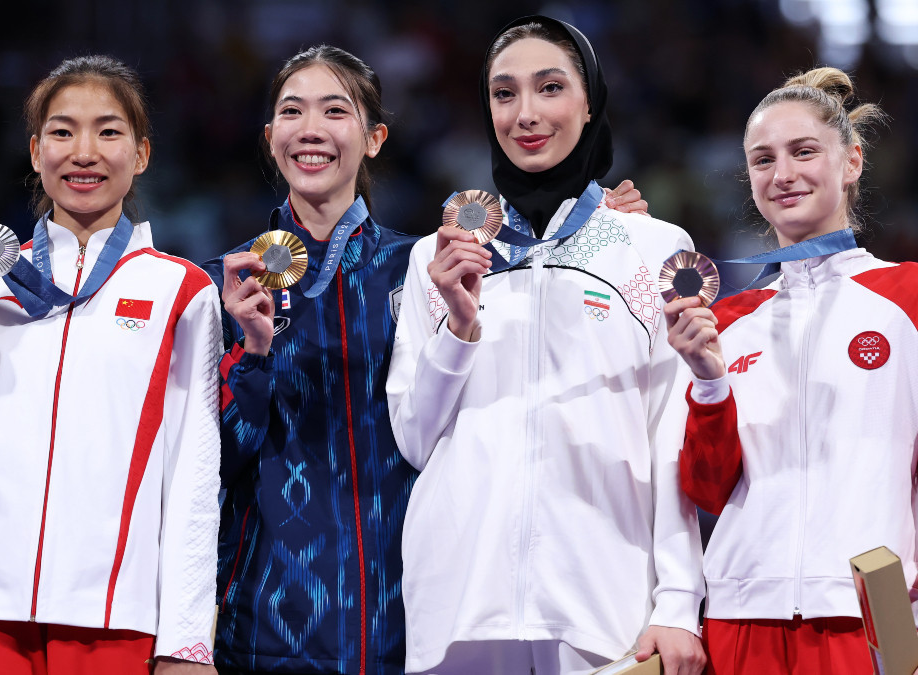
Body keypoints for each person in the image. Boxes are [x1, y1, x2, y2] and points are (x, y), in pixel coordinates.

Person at [205, 44, 648, 675]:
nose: (311, 130)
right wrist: (251, 354)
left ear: (375, 138)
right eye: (291, 111)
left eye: (336, 110)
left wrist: (608, 229)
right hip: (265, 620)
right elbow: (212, 463)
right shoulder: (225, 282)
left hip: (402, 611)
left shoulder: (424, 269)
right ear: (270, 135)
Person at [387, 16, 706, 675]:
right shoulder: (436, 259)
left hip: (603, 609)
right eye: (504, 94)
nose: (525, 113)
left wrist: (678, 600)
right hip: (459, 606)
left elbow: (674, 432)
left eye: (550, 87)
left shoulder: (651, 249)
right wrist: (458, 324)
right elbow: (415, 440)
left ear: (589, 101)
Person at [663, 67, 918, 675]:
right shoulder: (727, 320)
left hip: (868, 621)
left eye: (803, 151)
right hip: (739, 620)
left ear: (852, 162)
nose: (782, 174)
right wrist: (709, 382)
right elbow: (707, 491)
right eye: (762, 160)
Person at [0, 55, 221, 674]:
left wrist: (186, 641)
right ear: (34, 151)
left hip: (112, 617)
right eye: (61, 131)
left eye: (108, 131)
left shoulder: (181, 292)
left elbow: (193, 477)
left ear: (142, 153)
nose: (84, 152)